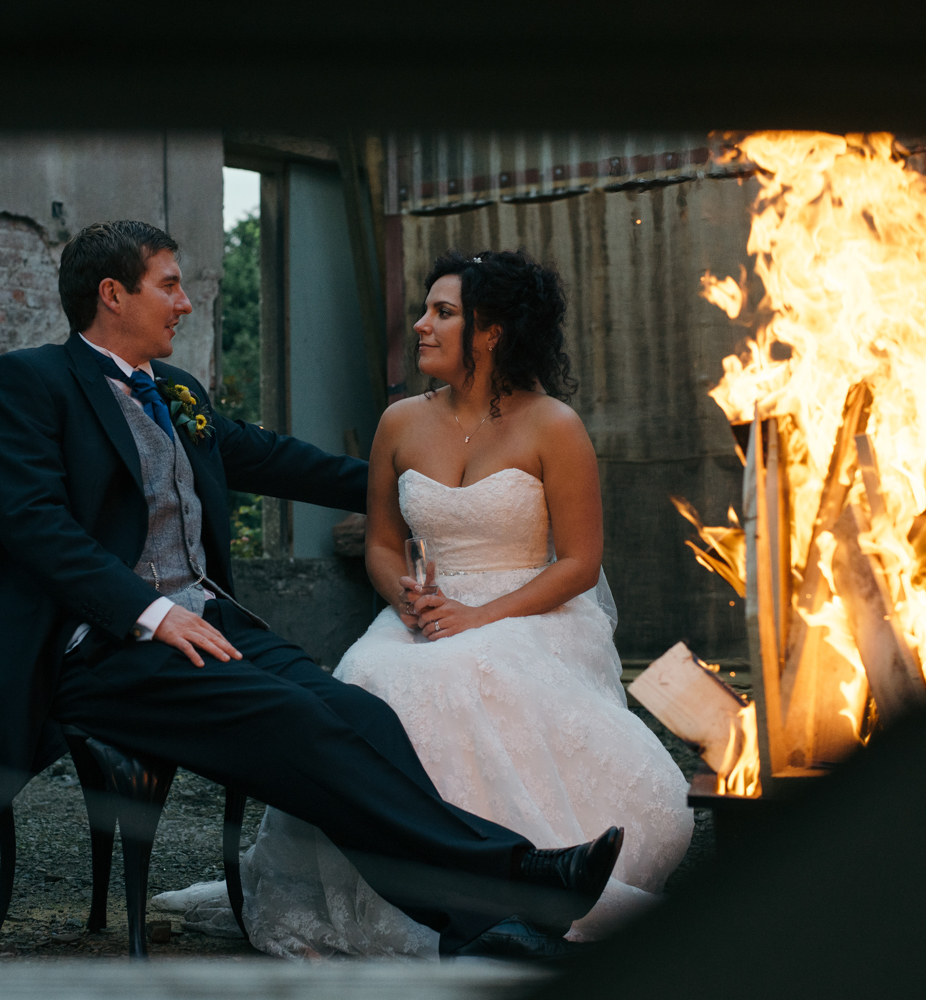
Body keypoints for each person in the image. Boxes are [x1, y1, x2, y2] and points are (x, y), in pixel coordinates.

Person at [0, 222, 624, 961]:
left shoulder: (175, 393)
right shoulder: (30, 381)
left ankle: (486, 925)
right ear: (113, 295)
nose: (184, 302)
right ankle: (518, 877)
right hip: (95, 648)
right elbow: (37, 527)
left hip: (208, 619)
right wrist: (149, 614)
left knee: (358, 713)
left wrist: (413, 480)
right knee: (297, 720)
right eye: (169, 284)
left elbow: (276, 460)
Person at [157, 249, 692, 958]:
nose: (420, 325)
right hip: (422, 612)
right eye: (425, 310)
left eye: (442, 313)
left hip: (531, 609)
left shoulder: (554, 426)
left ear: (493, 331)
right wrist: (402, 595)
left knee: (467, 677)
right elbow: (382, 543)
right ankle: (459, 897)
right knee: (368, 683)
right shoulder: (400, 422)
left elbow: (579, 562)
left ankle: (529, 871)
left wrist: (479, 616)